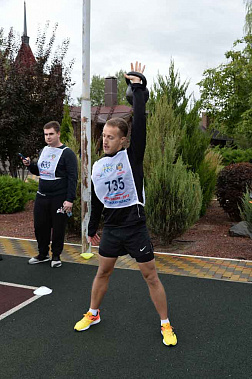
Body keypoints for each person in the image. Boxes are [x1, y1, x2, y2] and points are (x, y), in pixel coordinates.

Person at [74, 62, 177, 346]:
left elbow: (140, 123)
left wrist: (138, 91)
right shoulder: (98, 166)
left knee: (151, 276)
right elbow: (96, 197)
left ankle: (165, 324)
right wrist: (92, 226)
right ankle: (93, 313)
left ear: (123, 140)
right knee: (102, 272)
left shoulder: (132, 159)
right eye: (103, 136)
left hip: (135, 228)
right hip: (112, 229)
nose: (105, 140)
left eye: (111, 137)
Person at [22, 121, 78, 268]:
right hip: (42, 195)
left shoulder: (67, 153)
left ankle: (56, 256)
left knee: (58, 228)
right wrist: (29, 165)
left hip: (59, 196)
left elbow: (73, 178)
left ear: (58, 134)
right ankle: (42, 254)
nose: (48, 137)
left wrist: (69, 199)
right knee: (40, 226)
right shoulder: (44, 150)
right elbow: (40, 171)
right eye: (46, 134)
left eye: (51, 134)